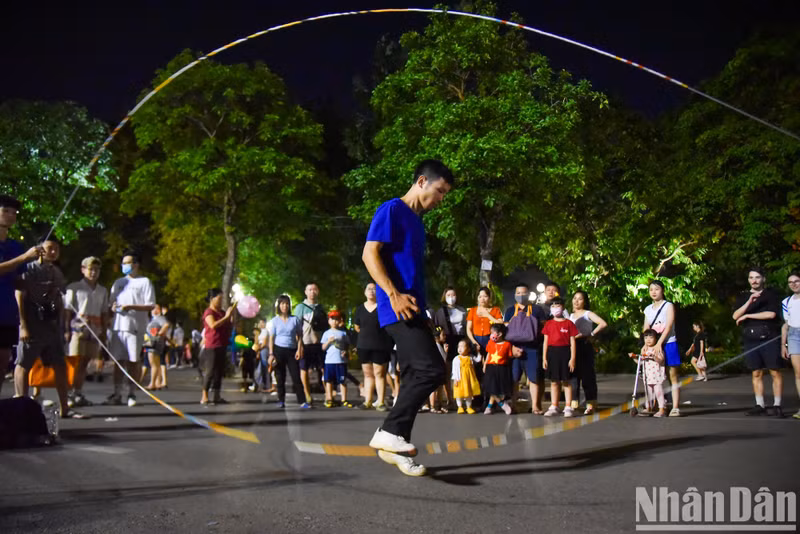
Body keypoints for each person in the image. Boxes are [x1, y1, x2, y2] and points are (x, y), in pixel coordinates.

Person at [363, 158, 453, 477]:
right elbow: (369, 253)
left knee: (416, 374)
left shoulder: (417, 222)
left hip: (414, 309)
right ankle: (389, 432)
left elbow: (412, 274)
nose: (441, 199)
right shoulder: (392, 210)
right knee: (431, 370)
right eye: (440, 191)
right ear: (421, 182)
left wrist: (425, 314)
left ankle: (395, 444)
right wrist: (393, 294)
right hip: (396, 307)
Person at [14, 238, 86, 418]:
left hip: (51, 326)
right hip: (31, 323)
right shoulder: (28, 269)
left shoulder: (56, 272)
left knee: (60, 365)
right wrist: (23, 326)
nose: (53, 252)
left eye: (56, 249)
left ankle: (65, 408)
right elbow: (19, 295)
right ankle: (21, 407)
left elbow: (59, 298)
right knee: (23, 363)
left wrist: (61, 323)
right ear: (40, 250)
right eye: (49, 248)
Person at [0, 194, 42, 395]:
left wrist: (37, 286)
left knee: (3, 362)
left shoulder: (15, 246)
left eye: (14, 212)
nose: (10, 215)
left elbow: (17, 280)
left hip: (7, 314)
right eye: (5, 211)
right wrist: (25, 257)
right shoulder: (21, 252)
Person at [107, 252, 156, 407]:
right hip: (118, 327)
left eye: (127, 262)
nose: (125, 266)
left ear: (136, 264)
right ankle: (117, 393)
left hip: (135, 328)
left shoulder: (144, 282)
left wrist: (131, 307)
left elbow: (150, 305)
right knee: (118, 361)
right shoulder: (118, 282)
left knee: (133, 361)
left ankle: (132, 393)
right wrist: (114, 307)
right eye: (123, 263)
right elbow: (111, 303)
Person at [733, 268, 784, 417]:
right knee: (756, 373)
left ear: (763, 279)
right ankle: (759, 404)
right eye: (751, 277)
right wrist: (749, 302)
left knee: (774, 371)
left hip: (769, 337)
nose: (754, 280)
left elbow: (771, 314)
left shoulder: (771, 295)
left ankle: (777, 405)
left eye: (757, 277)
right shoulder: (743, 296)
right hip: (751, 339)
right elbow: (735, 315)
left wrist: (748, 316)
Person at [64, 256, 110, 407]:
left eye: (97, 270)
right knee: (74, 361)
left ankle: (78, 392)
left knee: (85, 363)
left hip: (94, 331)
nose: (94, 272)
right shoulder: (74, 287)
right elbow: (67, 310)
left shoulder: (102, 290)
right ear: (83, 270)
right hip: (77, 329)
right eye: (91, 269)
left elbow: (104, 312)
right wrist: (66, 329)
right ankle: (68, 394)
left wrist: (103, 332)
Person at [504, 283, 547, 412]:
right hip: (514, 348)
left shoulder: (537, 310)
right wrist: (511, 348)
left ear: (528, 294)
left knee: (534, 378)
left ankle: (535, 406)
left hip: (532, 348)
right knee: (514, 378)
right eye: (518, 293)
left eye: (523, 293)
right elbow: (505, 331)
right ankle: (513, 405)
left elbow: (544, 329)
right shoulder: (510, 310)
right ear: (514, 294)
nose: (521, 295)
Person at [643, 280, 682, 417]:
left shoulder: (668, 306)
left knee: (672, 375)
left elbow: (669, 325)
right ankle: (657, 405)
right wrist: (645, 345)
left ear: (663, 290)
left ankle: (675, 407)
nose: (653, 292)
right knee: (653, 376)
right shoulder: (648, 309)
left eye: (657, 289)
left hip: (669, 343)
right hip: (653, 345)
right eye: (651, 289)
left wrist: (659, 343)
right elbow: (646, 328)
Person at [354, 282, 392, 411]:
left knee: (379, 374)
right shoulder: (360, 309)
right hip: (363, 345)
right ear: (365, 292)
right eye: (369, 289)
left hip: (380, 346)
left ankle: (380, 402)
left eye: (374, 289)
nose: (371, 291)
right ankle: (367, 401)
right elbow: (357, 326)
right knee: (367, 374)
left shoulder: (383, 307)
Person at [569, 290, 608, 415]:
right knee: (573, 377)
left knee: (587, 376)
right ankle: (574, 404)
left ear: (584, 301)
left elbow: (603, 323)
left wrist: (591, 334)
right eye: (575, 298)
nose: (576, 301)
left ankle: (591, 404)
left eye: (580, 299)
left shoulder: (587, 314)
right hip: (572, 347)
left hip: (584, 346)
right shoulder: (569, 316)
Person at [268, 295, 309, 409]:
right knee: (280, 376)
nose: (284, 306)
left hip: (292, 350)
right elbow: (271, 338)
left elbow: (299, 336)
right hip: (278, 350)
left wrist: (299, 349)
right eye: (282, 304)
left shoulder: (295, 320)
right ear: (279, 306)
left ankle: (302, 401)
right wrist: (271, 354)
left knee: (296, 376)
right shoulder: (275, 321)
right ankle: (281, 400)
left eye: (286, 304)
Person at [542, 297, 579, 417]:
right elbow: (545, 342)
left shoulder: (569, 323)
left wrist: (572, 358)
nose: (555, 308)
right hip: (552, 354)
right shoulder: (548, 324)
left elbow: (573, 342)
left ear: (563, 307)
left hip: (565, 353)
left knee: (566, 381)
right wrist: (544, 358)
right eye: (553, 306)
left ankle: (568, 406)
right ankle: (554, 405)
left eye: (557, 306)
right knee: (554, 382)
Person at [199, 289, 235, 405]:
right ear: (211, 299)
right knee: (210, 371)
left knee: (219, 372)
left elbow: (229, 325)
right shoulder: (208, 312)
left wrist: (230, 316)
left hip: (222, 344)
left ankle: (217, 396)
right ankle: (204, 396)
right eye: (219, 299)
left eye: (222, 299)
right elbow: (213, 325)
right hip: (212, 345)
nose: (221, 301)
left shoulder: (222, 312)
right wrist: (226, 317)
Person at [295, 283, 326, 405]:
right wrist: (299, 346)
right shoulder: (300, 307)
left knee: (324, 368)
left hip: (320, 343)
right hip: (305, 342)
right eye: (310, 289)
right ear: (306, 292)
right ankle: (307, 394)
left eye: (314, 289)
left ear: (318, 291)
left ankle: (328, 394)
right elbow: (297, 328)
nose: (312, 292)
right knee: (304, 369)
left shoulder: (321, 308)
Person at [631, 329, 667, 417]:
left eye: (651, 337)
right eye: (646, 337)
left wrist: (654, 357)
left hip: (656, 375)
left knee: (658, 392)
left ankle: (662, 409)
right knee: (648, 393)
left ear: (655, 338)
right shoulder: (644, 350)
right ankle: (649, 407)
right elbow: (641, 362)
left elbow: (661, 360)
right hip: (647, 376)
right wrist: (634, 357)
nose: (648, 340)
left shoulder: (657, 349)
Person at [482, 323, 515, 415]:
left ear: (500, 334)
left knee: (496, 388)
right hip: (490, 367)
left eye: (493, 332)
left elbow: (509, 356)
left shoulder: (507, 344)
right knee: (489, 387)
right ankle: (501, 403)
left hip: (501, 368)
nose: (491, 335)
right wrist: (485, 364)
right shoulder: (490, 343)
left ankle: (489, 406)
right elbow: (488, 354)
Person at [321, 310, 351, 408]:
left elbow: (347, 345)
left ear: (339, 321)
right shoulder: (326, 333)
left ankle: (344, 399)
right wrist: (329, 341)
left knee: (342, 380)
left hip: (341, 361)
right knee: (329, 380)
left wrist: (346, 351)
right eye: (332, 319)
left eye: (336, 319)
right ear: (329, 321)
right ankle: (329, 399)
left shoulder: (343, 333)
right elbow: (323, 347)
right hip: (329, 361)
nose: (334, 321)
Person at [781, 271, 800, 419]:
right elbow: (786, 325)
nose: (793, 284)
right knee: (798, 373)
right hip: (794, 335)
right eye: (790, 282)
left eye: (796, 281)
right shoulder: (786, 302)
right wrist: (783, 344)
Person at [143, 304, 169, 390]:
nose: (153, 310)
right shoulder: (154, 319)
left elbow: (166, 325)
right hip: (154, 342)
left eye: (155, 309)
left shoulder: (159, 318)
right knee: (157, 364)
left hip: (153, 343)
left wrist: (159, 333)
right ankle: (157, 382)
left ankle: (152, 383)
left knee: (153, 364)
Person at [451, 339, 480, 414]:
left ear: (468, 349)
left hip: (469, 379)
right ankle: (460, 407)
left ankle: (469, 407)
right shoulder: (456, 359)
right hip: (460, 379)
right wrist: (455, 379)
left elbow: (478, 360)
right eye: (459, 346)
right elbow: (454, 370)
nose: (460, 348)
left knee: (469, 394)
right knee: (459, 394)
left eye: (462, 346)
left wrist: (478, 352)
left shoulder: (470, 357)